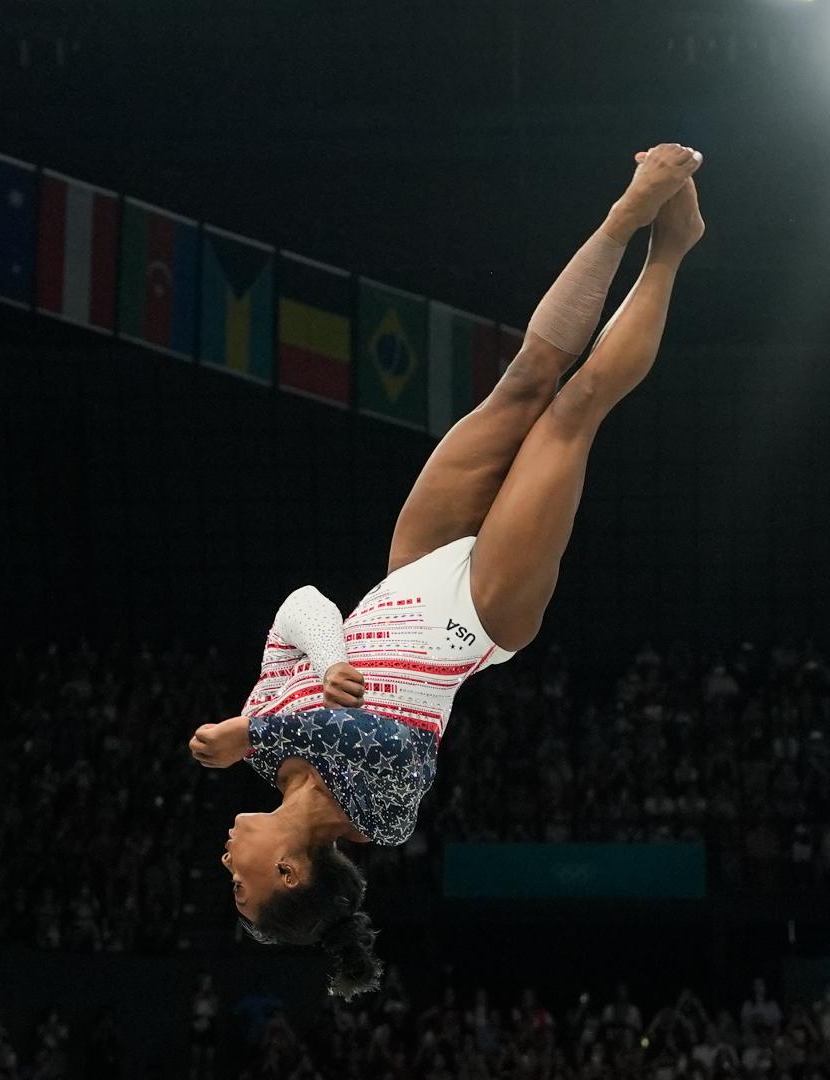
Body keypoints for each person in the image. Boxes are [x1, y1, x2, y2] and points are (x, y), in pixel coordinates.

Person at [188, 143, 707, 997]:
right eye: (239, 881)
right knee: (572, 413)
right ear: (289, 873)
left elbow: (301, 605)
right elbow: (371, 735)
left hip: (409, 573)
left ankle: (625, 217)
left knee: (524, 380)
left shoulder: (262, 749)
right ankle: (670, 248)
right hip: (480, 614)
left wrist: (317, 668)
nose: (226, 863)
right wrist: (254, 727)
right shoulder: (378, 818)